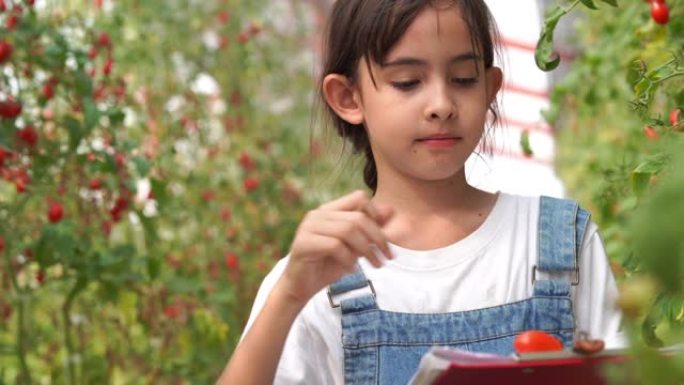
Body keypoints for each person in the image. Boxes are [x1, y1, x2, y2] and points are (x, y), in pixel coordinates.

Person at [217, 0, 624, 384]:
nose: (441, 104)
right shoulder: (318, 275)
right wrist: (288, 295)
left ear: (490, 87)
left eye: (463, 79)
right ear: (348, 97)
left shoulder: (562, 242)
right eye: (407, 82)